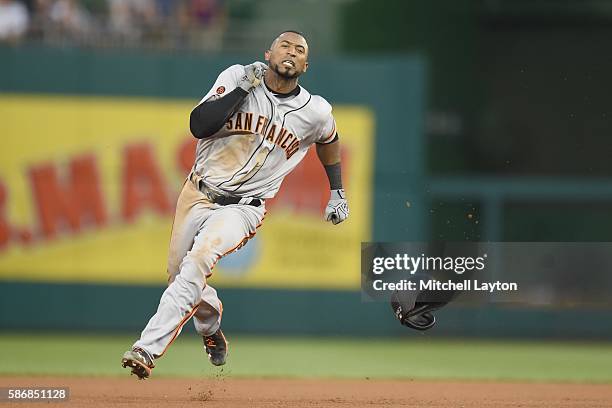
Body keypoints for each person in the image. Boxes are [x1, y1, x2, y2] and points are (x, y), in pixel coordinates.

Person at [121, 30, 349, 379]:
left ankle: (146, 348)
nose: (291, 52)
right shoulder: (237, 77)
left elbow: (329, 140)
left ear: (306, 63)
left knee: (198, 260)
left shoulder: (315, 111)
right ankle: (210, 327)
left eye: (299, 50)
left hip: (244, 207)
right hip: (197, 192)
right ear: (268, 54)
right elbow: (199, 125)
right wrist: (243, 87)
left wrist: (336, 191)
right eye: (284, 46)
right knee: (179, 278)